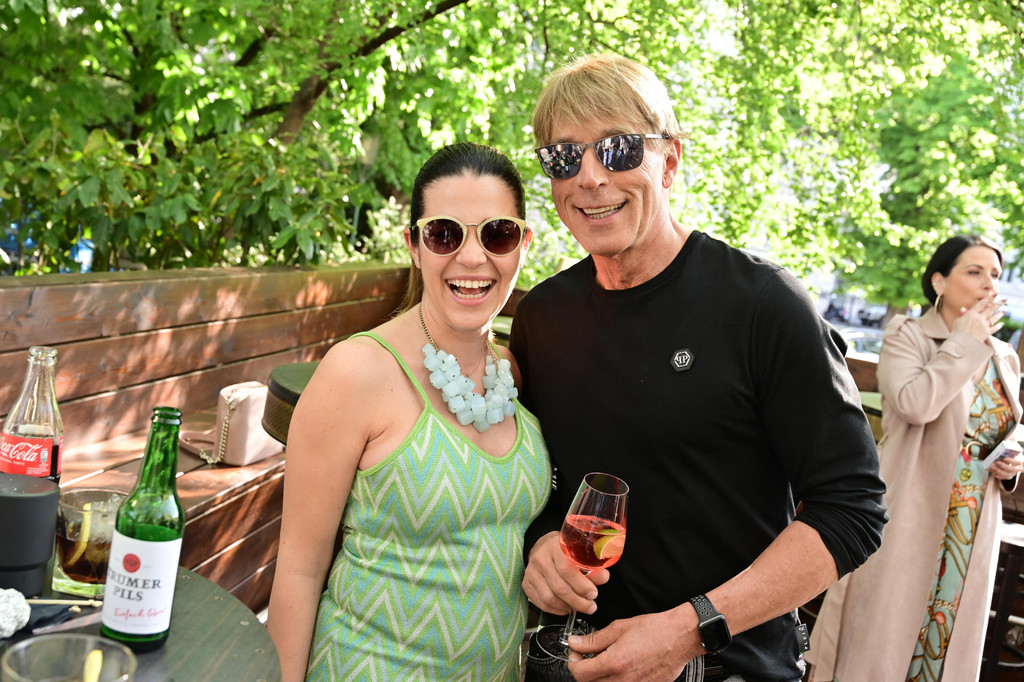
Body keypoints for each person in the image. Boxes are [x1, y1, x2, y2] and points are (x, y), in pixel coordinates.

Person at [510, 53, 888, 682]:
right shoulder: (543, 317)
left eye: (619, 149)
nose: (590, 177)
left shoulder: (763, 304)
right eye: (563, 157)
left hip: (730, 665)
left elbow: (852, 509)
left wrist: (690, 628)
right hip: (578, 661)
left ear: (670, 161)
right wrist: (542, 542)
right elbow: (539, 479)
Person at [266, 142, 552, 681]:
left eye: (497, 234)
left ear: (523, 245)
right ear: (415, 247)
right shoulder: (357, 371)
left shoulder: (509, 373)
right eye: (445, 234)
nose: (472, 257)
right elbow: (299, 572)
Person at [808, 235, 1023, 680]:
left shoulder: (1004, 356)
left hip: (971, 523)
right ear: (939, 281)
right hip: (910, 507)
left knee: (946, 639)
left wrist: (1010, 467)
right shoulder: (907, 335)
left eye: (995, 275)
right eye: (974, 272)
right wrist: (962, 343)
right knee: (882, 637)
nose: (989, 284)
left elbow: (1001, 432)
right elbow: (913, 405)